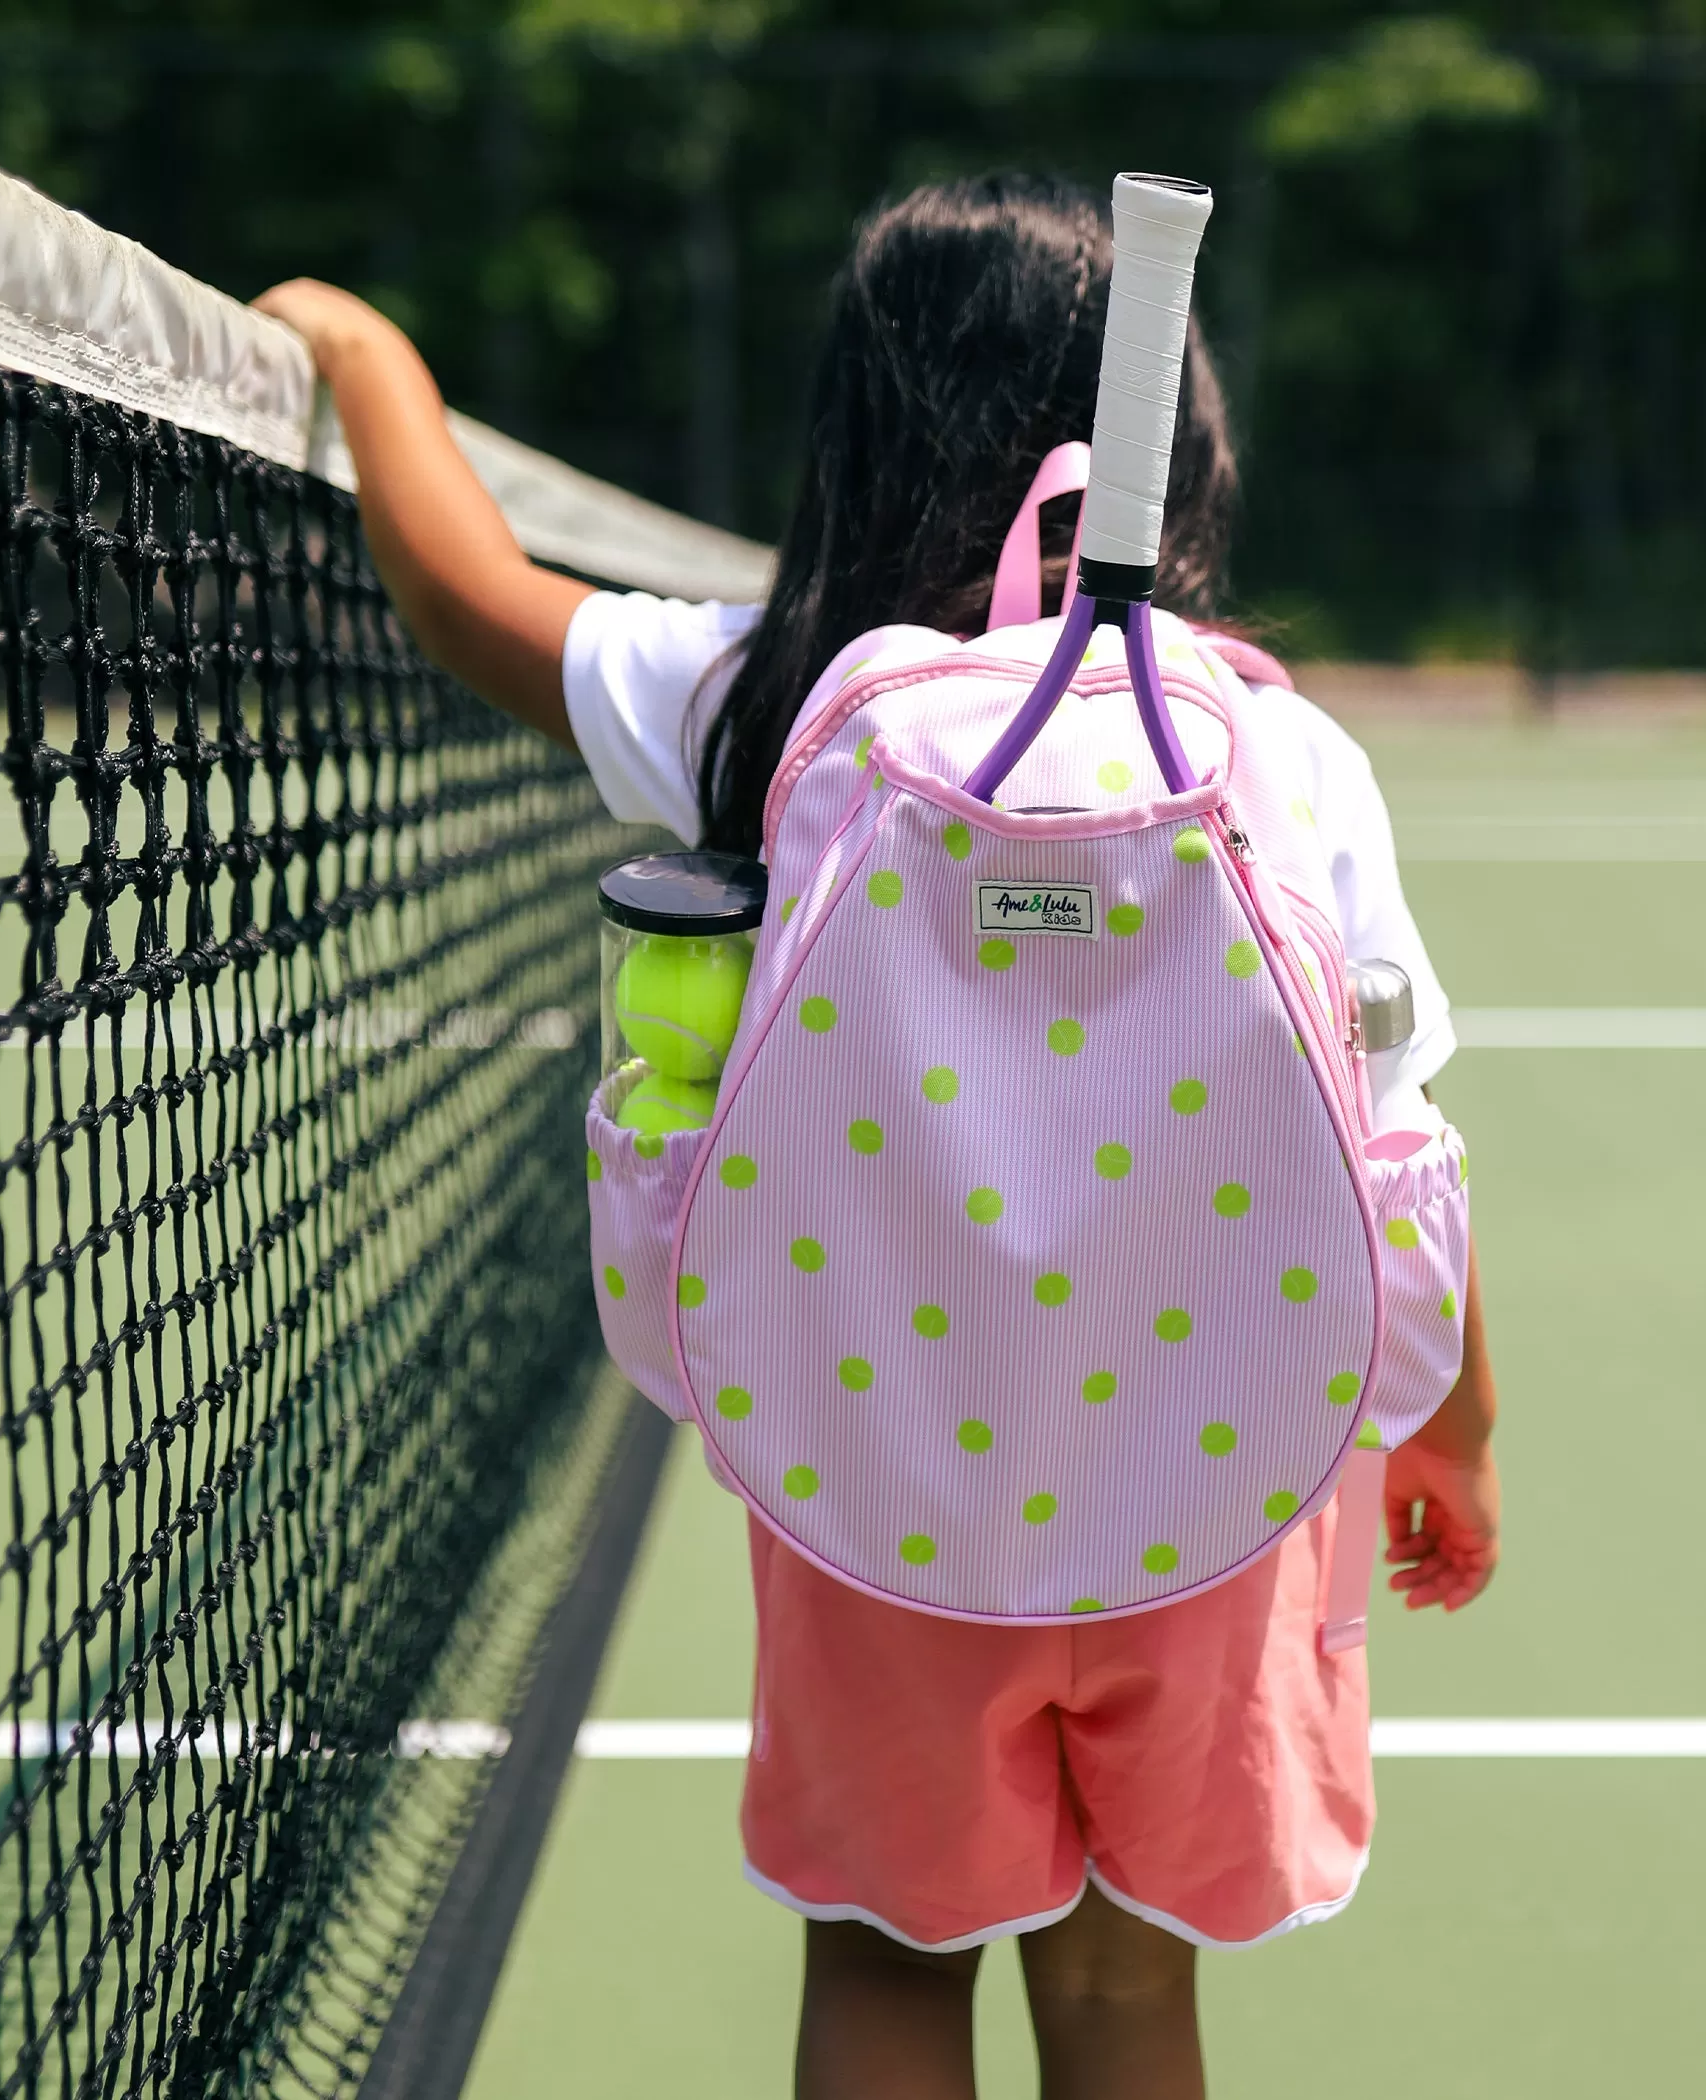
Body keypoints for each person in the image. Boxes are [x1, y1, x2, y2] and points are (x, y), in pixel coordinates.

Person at [258, 172, 1500, 2100]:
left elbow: (462, 594)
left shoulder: (759, 698)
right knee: (1117, 1997)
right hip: (1218, 1485)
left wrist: (365, 355)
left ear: (868, 418)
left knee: (887, 1965)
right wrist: (1452, 1432)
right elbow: (1399, 1138)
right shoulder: (1284, 746)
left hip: (883, 1482)